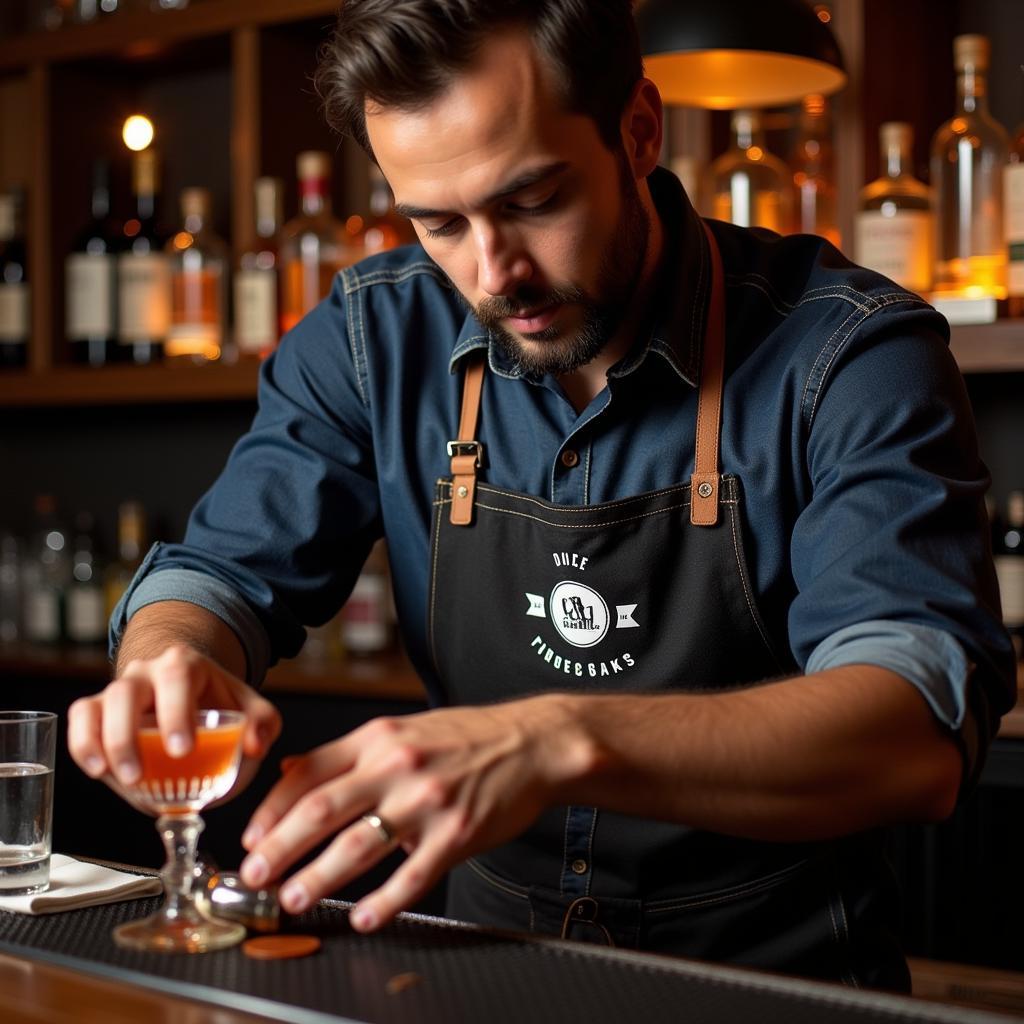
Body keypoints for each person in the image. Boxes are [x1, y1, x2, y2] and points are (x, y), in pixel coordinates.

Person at [68, 0, 1014, 991]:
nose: (494, 273)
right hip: (482, 973)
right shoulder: (369, 338)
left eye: (531, 200)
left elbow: (915, 729)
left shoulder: (847, 352)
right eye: (437, 222)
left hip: (778, 983)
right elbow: (219, 576)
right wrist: (167, 657)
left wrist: (555, 737)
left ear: (638, 131)